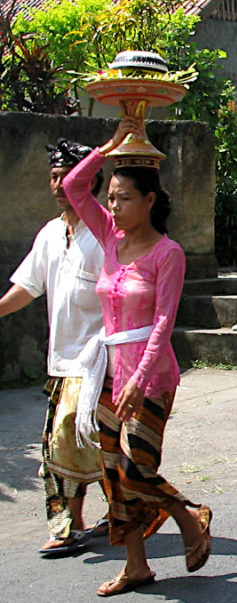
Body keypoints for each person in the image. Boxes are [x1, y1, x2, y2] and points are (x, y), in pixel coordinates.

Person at [63, 117, 212, 596]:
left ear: (150, 201)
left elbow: (164, 324)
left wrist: (138, 378)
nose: (114, 205)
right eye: (111, 197)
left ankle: (188, 514)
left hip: (152, 376)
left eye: (124, 197)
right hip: (107, 369)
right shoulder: (109, 237)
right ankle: (136, 564)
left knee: (137, 468)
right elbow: (73, 185)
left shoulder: (168, 254)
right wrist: (110, 147)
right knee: (112, 471)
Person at [0, 138, 107, 556]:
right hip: (61, 361)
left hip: (100, 361)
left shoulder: (104, 235)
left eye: (68, 175)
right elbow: (26, 287)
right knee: (78, 444)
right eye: (54, 175)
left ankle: (79, 523)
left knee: (72, 441)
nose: (60, 183)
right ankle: (89, 518)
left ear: (89, 181)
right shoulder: (49, 234)